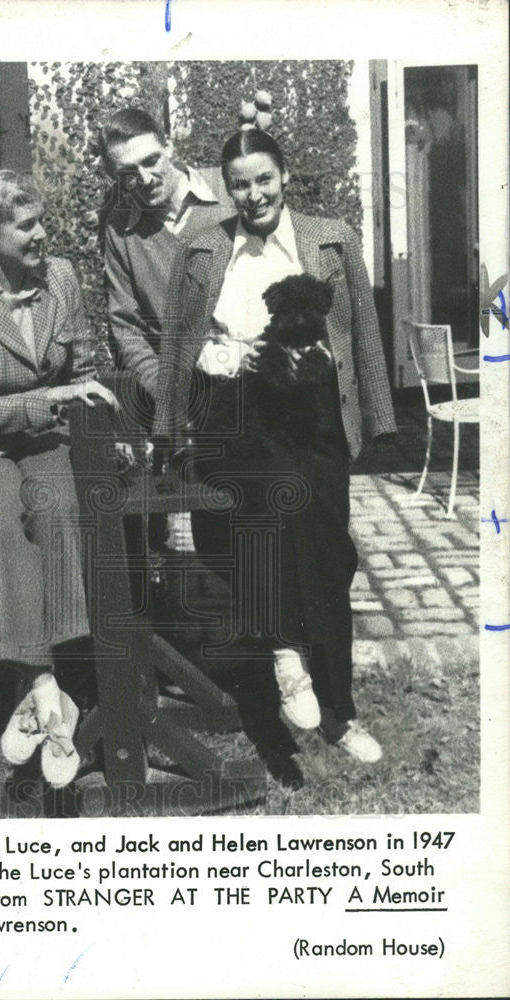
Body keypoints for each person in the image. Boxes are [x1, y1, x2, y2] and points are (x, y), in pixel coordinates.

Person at [153, 128, 397, 764]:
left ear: (284, 177)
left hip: (314, 414)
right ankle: (288, 658)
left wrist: (377, 423)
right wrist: (170, 430)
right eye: (240, 183)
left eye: (264, 178)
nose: (253, 193)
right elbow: (178, 342)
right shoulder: (203, 249)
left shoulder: (331, 237)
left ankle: (338, 713)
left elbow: (364, 333)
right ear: (227, 189)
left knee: (326, 550)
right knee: (268, 525)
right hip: (234, 411)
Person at [0, 169, 118, 787]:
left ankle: (51, 678)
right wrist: (57, 394)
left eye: (42, 221)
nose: (42, 234)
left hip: (42, 440)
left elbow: (83, 365)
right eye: (27, 224)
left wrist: (92, 408)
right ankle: (48, 694)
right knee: (1, 526)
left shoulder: (60, 279)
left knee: (59, 510)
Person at [99, 107, 232, 421]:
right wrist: (167, 392)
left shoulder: (228, 192)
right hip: (188, 394)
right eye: (129, 173)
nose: (144, 179)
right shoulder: (120, 229)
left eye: (151, 160)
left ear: (169, 146)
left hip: (255, 373)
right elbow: (125, 327)